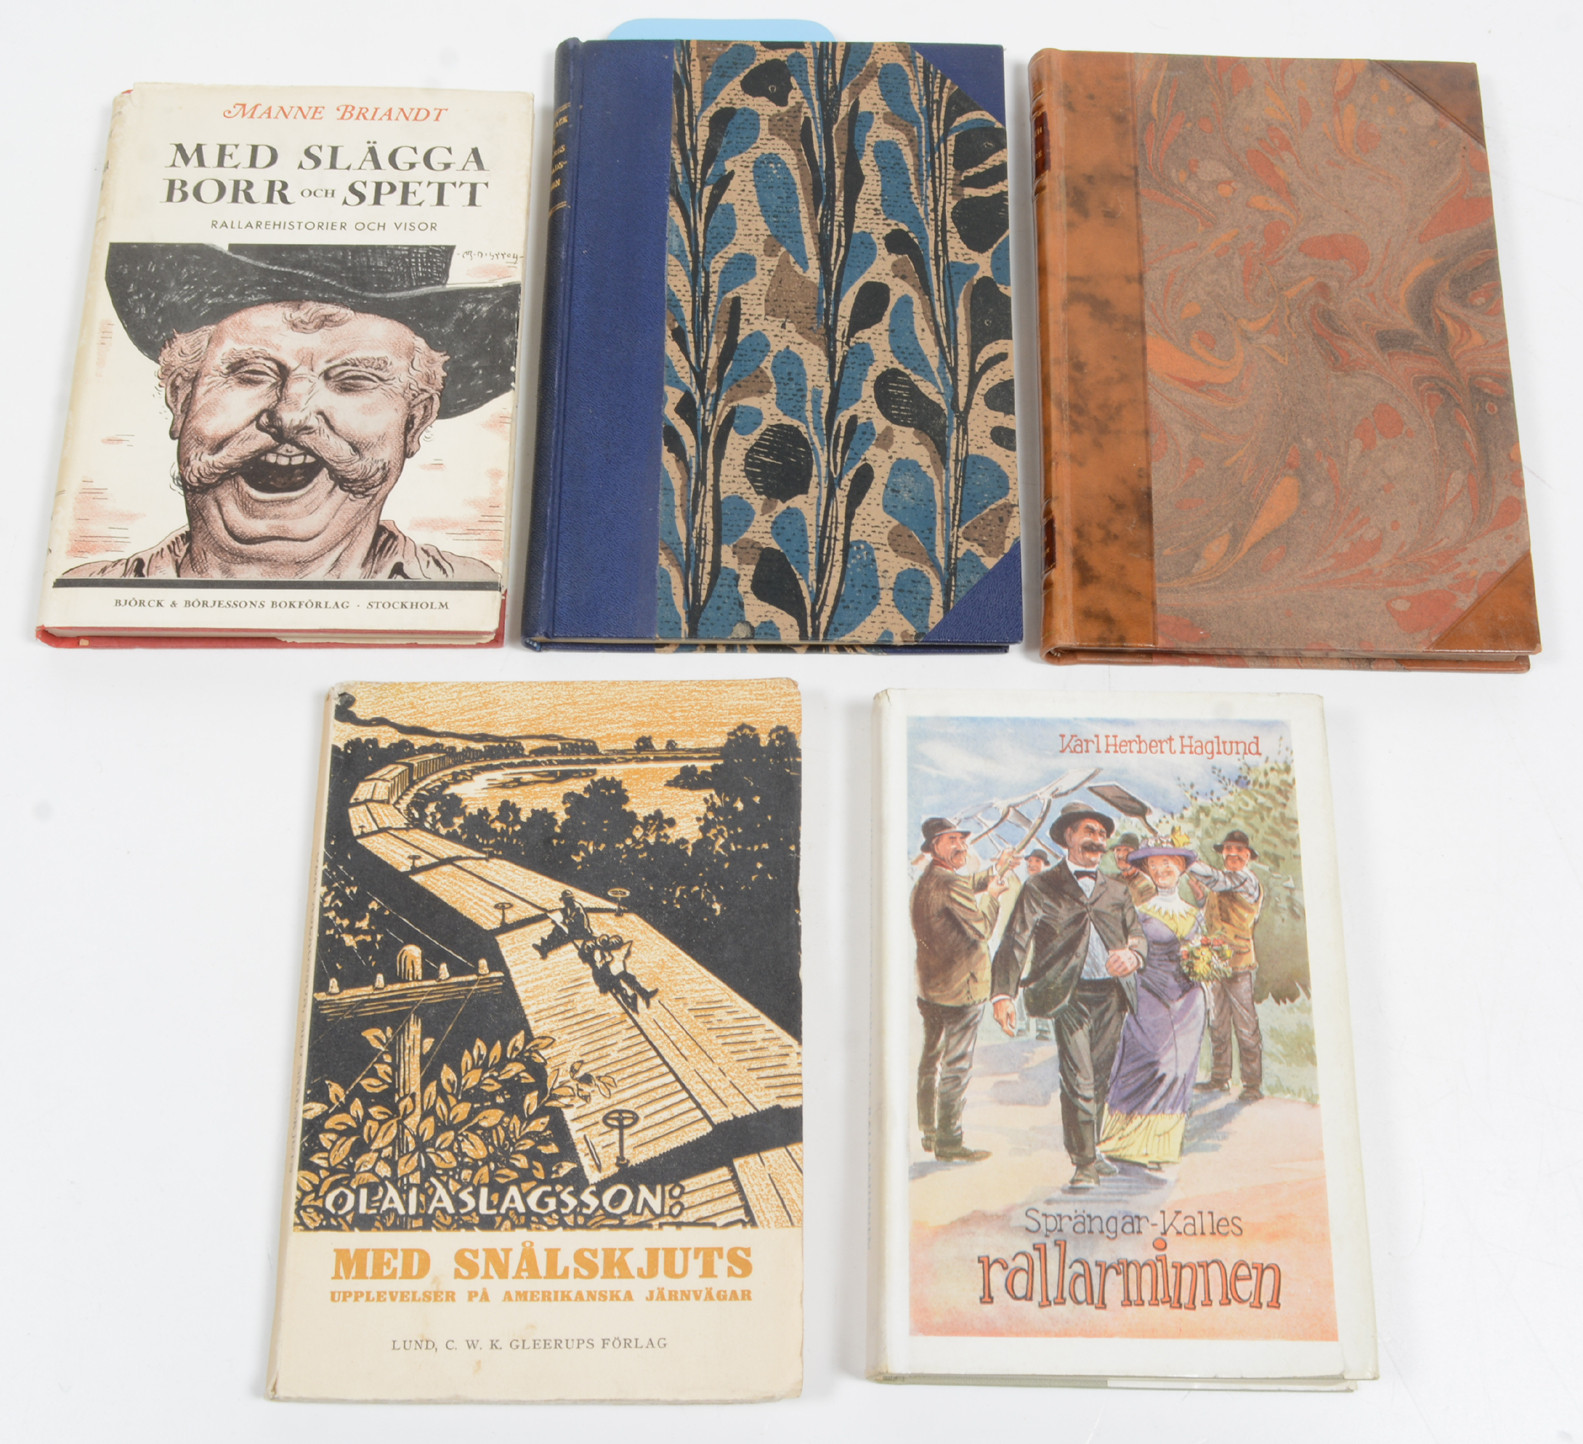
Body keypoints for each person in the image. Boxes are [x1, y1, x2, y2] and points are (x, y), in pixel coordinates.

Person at [65, 243, 520, 581]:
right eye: (252, 374)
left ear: (414, 422)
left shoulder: (475, 591)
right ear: (182, 399)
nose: (290, 416)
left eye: (353, 381)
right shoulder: (91, 592)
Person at [991, 803, 1146, 1191]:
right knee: (1079, 1077)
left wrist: (1133, 955)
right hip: (1068, 994)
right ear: (1068, 836)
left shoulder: (1117, 890)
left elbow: (1137, 935)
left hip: (1112, 995)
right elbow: (1015, 941)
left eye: (1102, 834)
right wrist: (1003, 994)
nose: (1098, 840)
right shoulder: (1040, 886)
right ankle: (1084, 1163)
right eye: (1089, 831)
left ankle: (1093, 1149)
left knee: (1101, 1078)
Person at [1098, 842, 1209, 1169]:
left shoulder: (1194, 913)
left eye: (1168, 864)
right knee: (1151, 1063)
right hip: (1149, 995)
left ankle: (1160, 1147)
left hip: (1189, 1000)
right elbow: (1124, 948)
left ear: (1181, 869)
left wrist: (1205, 961)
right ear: (1147, 870)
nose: (1162, 870)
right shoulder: (1138, 911)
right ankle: (1124, 1141)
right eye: (1155, 865)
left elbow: (1205, 950)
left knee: (1179, 1069)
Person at [911, 817, 1013, 1163]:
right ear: (934, 846)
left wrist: (996, 870)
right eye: (952, 840)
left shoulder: (930, 879)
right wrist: (993, 897)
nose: (961, 846)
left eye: (962, 840)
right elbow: (982, 928)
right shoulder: (949, 883)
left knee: (931, 1060)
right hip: (961, 991)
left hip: (931, 990)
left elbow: (967, 883)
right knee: (955, 1065)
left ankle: (929, 1131)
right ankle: (949, 1141)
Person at [1191, 830, 1266, 1102]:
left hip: (1240, 963)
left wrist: (1186, 860)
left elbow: (1217, 881)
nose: (1233, 853)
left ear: (1248, 856)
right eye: (1228, 848)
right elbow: (1209, 912)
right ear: (1222, 852)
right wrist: (1200, 895)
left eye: (1239, 849)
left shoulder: (1245, 879)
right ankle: (1220, 1078)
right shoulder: (1221, 884)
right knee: (1217, 1022)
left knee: (1245, 1025)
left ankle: (1252, 1084)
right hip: (1215, 963)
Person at [1109, 832, 1156, 906]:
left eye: (1127, 850)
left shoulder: (1146, 887)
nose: (1120, 855)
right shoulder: (1110, 879)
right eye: (1118, 850)